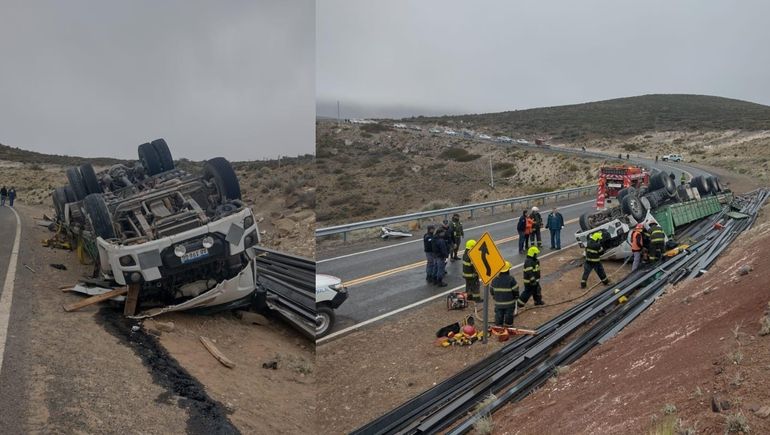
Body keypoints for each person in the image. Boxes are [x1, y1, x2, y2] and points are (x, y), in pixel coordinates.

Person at [490, 261, 519, 327]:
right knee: (509, 316)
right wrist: (516, 296)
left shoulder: (495, 280)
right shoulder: (511, 279)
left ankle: (499, 327)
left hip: (499, 303)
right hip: (509, 303)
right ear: (507, 270)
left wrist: (494, 296)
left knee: (499, 315)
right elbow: (516, 289)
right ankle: (509, 327)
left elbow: (491, 290)